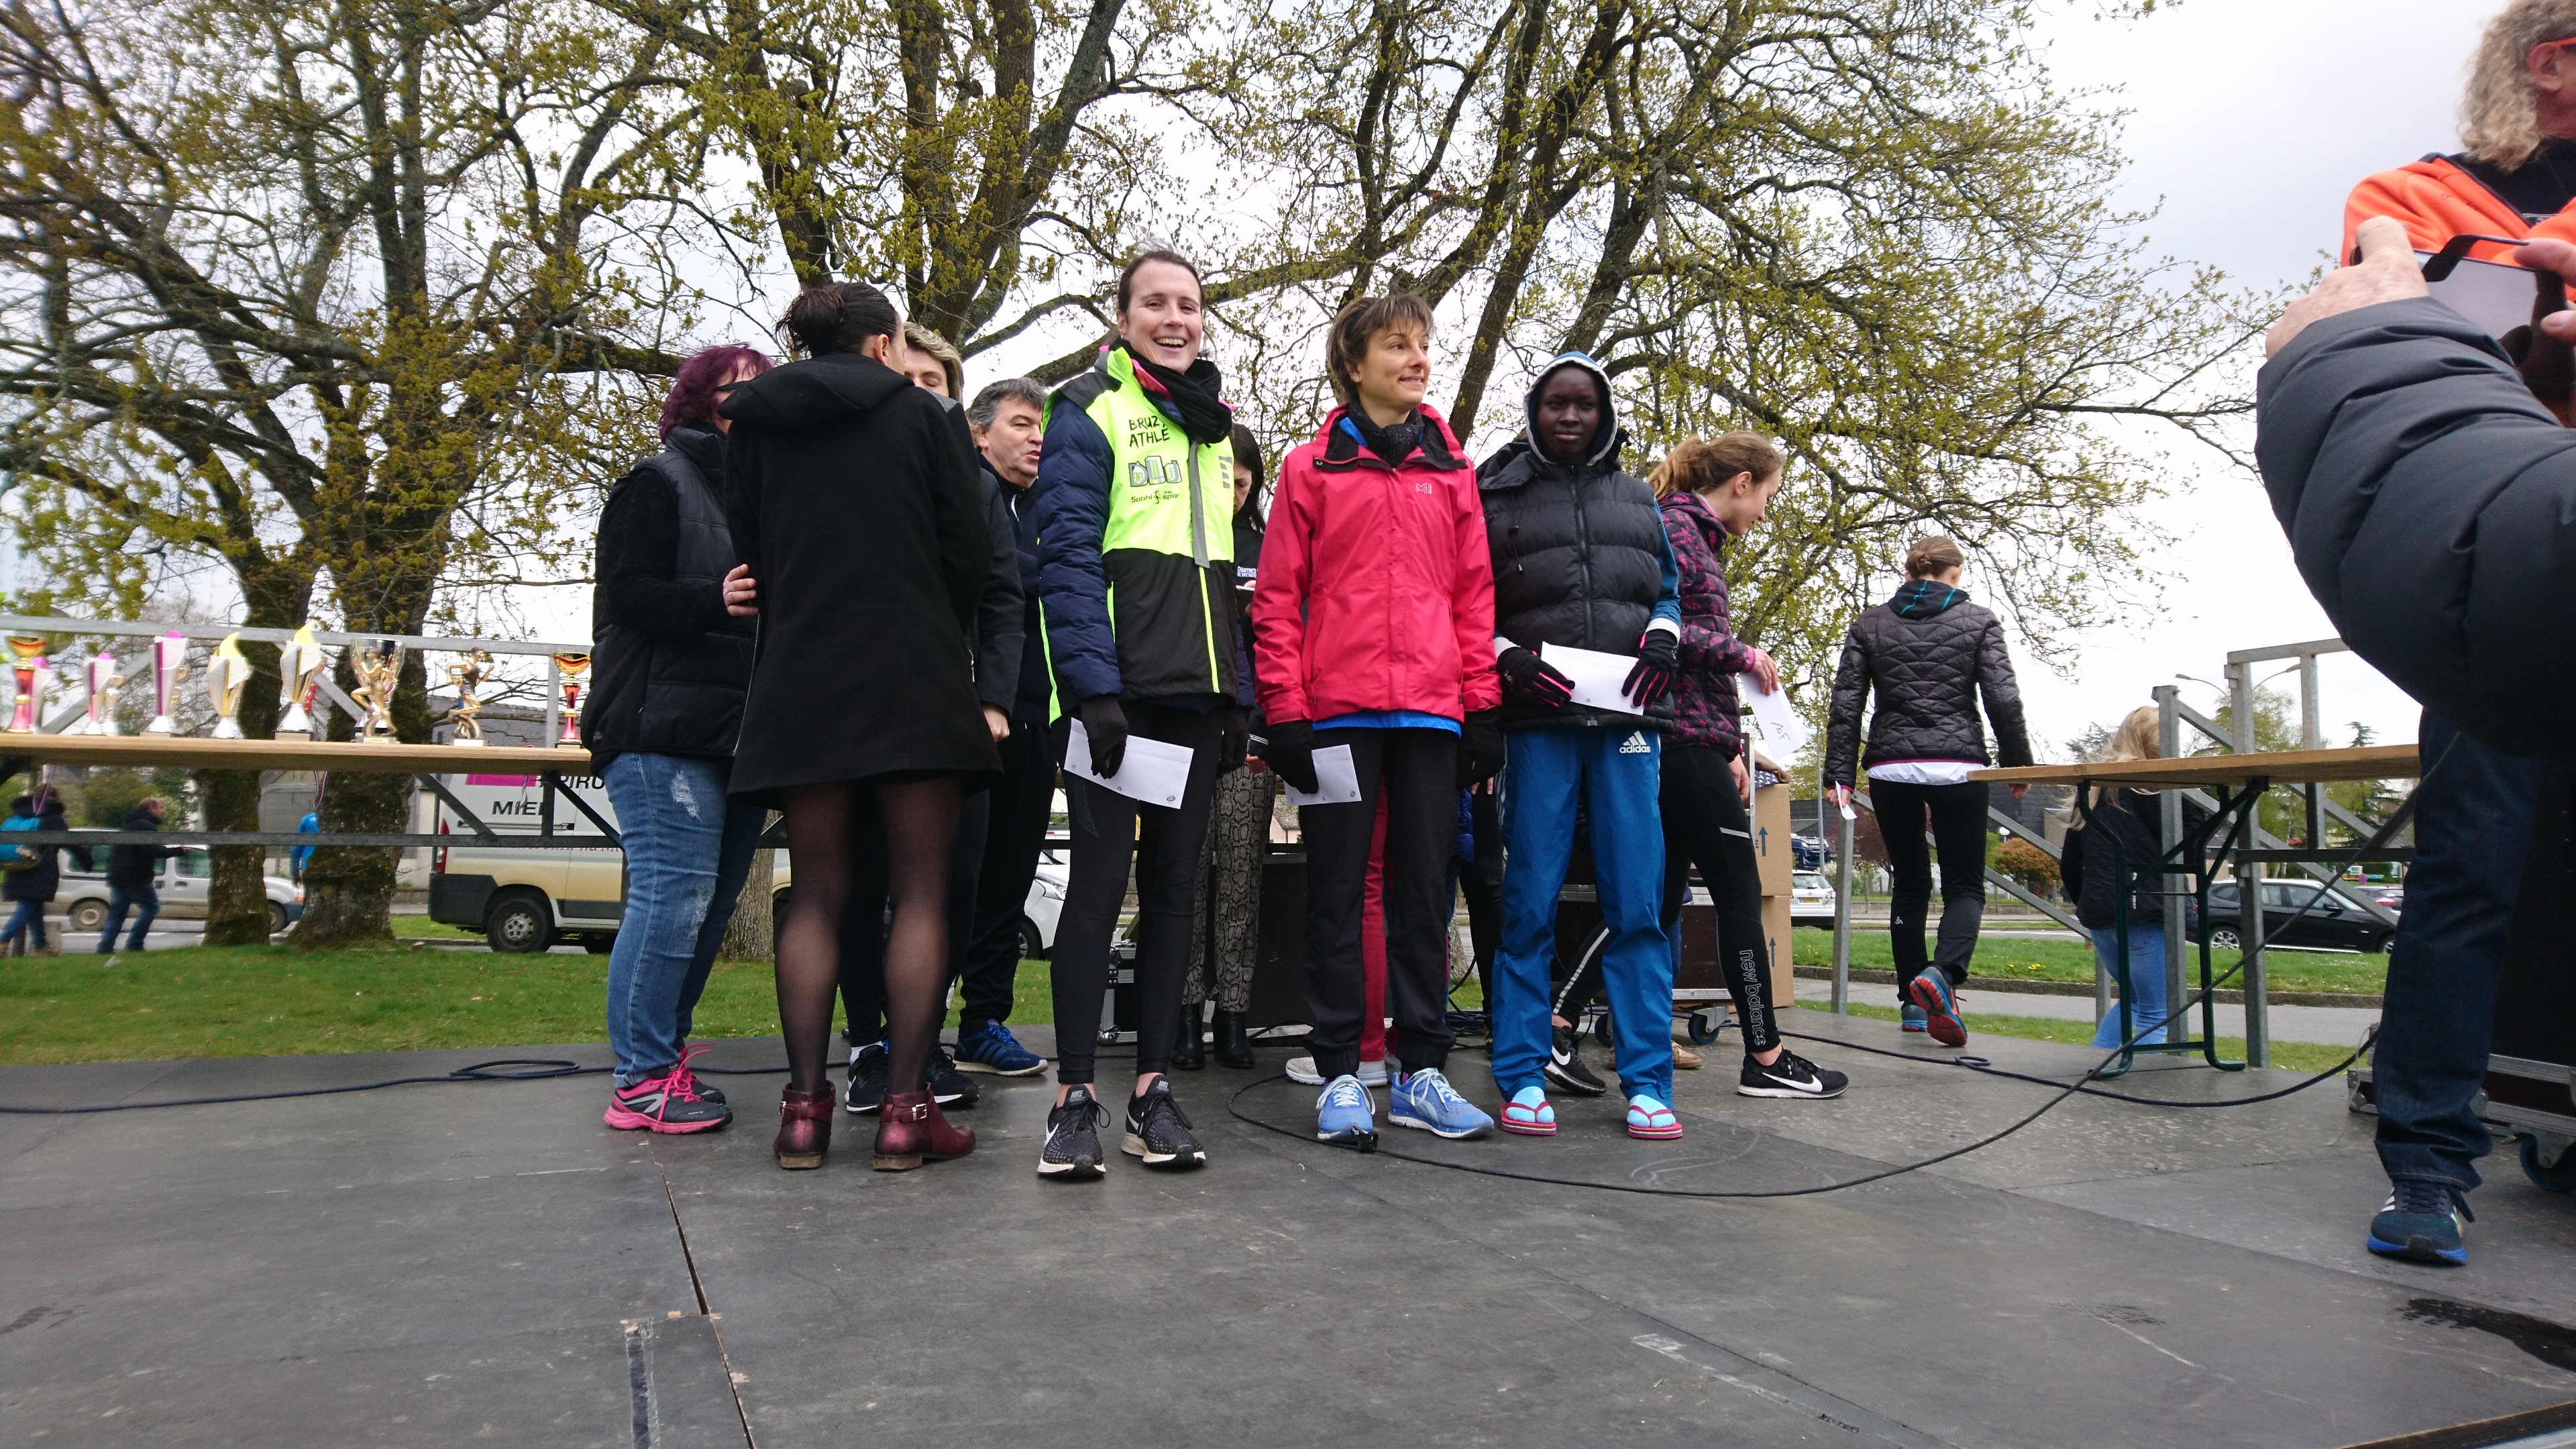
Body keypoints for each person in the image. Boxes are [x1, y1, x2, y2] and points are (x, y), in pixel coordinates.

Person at [2256, 6, 2576, 1264]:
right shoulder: (2410, 198)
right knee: (2469, 861)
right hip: (2493, 567)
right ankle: (2430, 1160)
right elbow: (2384, 342)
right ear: (2548, 58)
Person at [721, 281, 996, 1172]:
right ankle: (908, 1114)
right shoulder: (922, 418)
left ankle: (803, 1113)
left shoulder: (755, 423)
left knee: (817, 893)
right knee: (919, 890)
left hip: (802, 675)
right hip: (911, 671)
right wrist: (933, 620)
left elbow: (749, 545)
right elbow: (969, 552)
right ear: (884, 346)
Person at [1252, 293, 1503, 1146]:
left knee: (1424, 896)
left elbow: (1474, 597)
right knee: (1333, 895)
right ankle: (1339, 1076)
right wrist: (1285, 712)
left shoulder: (1454, 471)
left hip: (1432, 715)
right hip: (1337, 714)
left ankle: (1422, 1071)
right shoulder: (1308, 470)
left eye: (1423, 344)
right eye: (1397, 345)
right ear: (1353, 366)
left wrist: (1482, 706)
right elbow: (1277, 599)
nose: (1417, 358)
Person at [1028, 248, 1248, 1178]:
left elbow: (1220, 577)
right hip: (1113, 701)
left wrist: (1237, 697)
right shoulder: (1086, 409)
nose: (1174, 318)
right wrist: (1093, 690)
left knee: (1173, 896)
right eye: (1154, 303)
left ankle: (1152, 1092)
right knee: (1093, 893)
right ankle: (1075, 1097)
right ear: (1123, 321)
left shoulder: (1214, 428)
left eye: (1188, 305)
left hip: (1195, 699)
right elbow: (1069, 558)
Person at [1479, 352, 1686, 1142]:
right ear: (1535, 411)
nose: (1570, 416)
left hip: (1628, 726)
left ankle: (1648, 1082)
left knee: (1637, 903)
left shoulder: (1639, 499)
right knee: (1529, 900)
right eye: (1556, 403)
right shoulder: (1497, 496)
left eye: (1585, 404)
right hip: (1540, 726)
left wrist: (1664, 636)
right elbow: (1471, 602)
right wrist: (1506, 658)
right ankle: (1522, 1074)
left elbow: (1668, 592)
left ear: (1605, 414)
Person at [581, 342, 775, 1136]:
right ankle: (640, 1078)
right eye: (736, 390)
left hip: (737, 738)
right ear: (699, 403)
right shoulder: (656, 483)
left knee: (710, 906)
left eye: (764, 392)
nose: (751, 404)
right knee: (673, 896)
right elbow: (626, 595)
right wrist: (710, 600)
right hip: (658, 730)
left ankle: (664, 1060)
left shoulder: (764, 497)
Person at [835, 351, 1025, 1115]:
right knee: (859, 883)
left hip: (954, 717)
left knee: (954, 885)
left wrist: (994, 701)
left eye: (934, 384)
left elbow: (1004, 600)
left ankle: (922, 1043)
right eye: (906, 379)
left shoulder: (978, 487)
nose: (918, 395)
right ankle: (867, 1047)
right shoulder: (845, 472)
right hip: (859, 711)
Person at [1651, 434, 1846, 1101]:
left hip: (1695, 739)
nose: (1765, 511)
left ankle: (1561, 1021)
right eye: (1768, 495)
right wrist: (1741, 654)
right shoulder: (1679, 531)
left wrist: (1734, 745)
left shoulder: (1696, 538)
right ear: (1741, 481)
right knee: (1738, 893)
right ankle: (1766, 1057)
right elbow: (1656, 630)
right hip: (1681, 743)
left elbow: (1696, 662)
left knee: (1655, 901)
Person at [1822, 535, 2031, 1049]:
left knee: (1911, 883)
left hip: (1891, 767)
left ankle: (1914, 1003)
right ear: (1955, 572)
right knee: (1964, 886)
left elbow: (1847, 702)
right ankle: (1942, 974)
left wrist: (1839, 775)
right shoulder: (1978, 620)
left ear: (1910, 572)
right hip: (1959, 766)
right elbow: (2003, 699)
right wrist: (2018, 763)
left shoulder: (1870, 624)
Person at [939, 376, 1056, 1081]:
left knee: (1011, 878)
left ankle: (983, 1022)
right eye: (1020, 424)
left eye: (1041, 426)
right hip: (961, 715)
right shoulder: (957, 494)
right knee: (951, 879)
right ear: (979, 434)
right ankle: (909, 1031)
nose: (1036, 438)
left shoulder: (1052, 504)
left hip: (1036, 714)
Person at [1179, 421, 1278, 1072]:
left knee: (1241, 880)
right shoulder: (1179, 536)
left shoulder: (1269, 548)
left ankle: (1234, 1015)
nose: (1233, 493)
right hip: (1187, 734)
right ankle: (1183, 1012)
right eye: (1224, 481)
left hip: (1253, 739)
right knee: (1183, 879)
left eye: (1243, 484)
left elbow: (1288, 641)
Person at [2057, 706, 2178, 1051]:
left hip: (2102, 917)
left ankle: (2101, 1063)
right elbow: (2190, 835)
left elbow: (2069, 864)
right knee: (2156, 1010)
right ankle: (2145, 1077)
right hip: (2144, 911)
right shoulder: (2153, 791)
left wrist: (2088, 905)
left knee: (2133, 1001)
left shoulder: (2093, 793)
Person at [3, 790, 89, 955]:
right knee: (29, 906)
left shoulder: (19, 816)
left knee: (33, 907)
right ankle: (3, 940)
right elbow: (70, 843)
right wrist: (87, 862)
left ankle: (41, 946)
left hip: (16, 867)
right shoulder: (53, 819)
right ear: (55, 799)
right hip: (39, 870)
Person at [96, 797, 176, 953]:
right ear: (151, 808)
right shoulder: (146, 826)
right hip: (136, 876)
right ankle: (135, 943)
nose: (163, 811)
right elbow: (152, 851)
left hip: (117, 875)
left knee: (117, 913)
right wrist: (178, 851)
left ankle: (104, 948)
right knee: (151, 907)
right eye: (161, 807)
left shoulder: (128, 825)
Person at [290, 808, 319, 884]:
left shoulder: (307, 820)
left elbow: (296, 848)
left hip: (308, 864)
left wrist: (295, 873)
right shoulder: (340, 820)